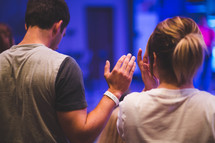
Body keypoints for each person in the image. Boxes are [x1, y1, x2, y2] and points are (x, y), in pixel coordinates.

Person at [0, 0, 136, 143]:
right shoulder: (62, 66)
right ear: (57, 27)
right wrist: (114, 91)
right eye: (63, 35)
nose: (58, 46)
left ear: (26, 25)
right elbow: (81, 136)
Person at [117, 16, 215, 143]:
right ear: (197, 58)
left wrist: (148, 89)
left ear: (154, 60)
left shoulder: (129, 107)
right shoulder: (211, 108)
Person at [194, 15, 215, 91]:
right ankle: (196, 88)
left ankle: (206, 89)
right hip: (200, 52)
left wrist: (210, 49)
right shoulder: (198, 29)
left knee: (207, 72)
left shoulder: (210, 30)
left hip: (208, 53)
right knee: (198, 71)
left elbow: (213, 42)